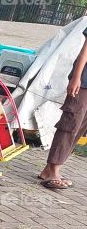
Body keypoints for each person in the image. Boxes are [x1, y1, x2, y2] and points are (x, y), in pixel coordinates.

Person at [39, 32, 87, 189]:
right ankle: (53, 169)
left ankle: (50, 170)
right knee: (70, 123)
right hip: (83, 83)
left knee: (80, 128)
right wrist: (76, 77)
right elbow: (84, 52)